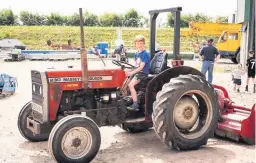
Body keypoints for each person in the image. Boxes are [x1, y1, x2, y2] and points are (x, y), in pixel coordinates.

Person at [123, 35, 150, 111]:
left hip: (143, 73)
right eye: (137, 43)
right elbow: (135, 65)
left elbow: (141, 67)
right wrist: (128, 70)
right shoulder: (136, 54)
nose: (139, 45)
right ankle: (124, 101)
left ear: (144, 44)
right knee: (124, 84)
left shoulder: (145, 54)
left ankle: (135, 104)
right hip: (137, 72)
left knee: (131, 85)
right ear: (135, 44)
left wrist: (132, 73)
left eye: (141, 43)